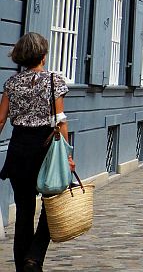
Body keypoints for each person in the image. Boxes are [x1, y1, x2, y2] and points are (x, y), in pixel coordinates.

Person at [0, 33, 74, 272]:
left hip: (19, 148)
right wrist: (67, 156)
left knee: (23, 210)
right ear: (43, 55)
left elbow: (1, 119)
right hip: (46, 150)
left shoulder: (12, 83)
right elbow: (60, 121)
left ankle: (25, 266)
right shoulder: (54, 80)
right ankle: (34, 257)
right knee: (52, 205)